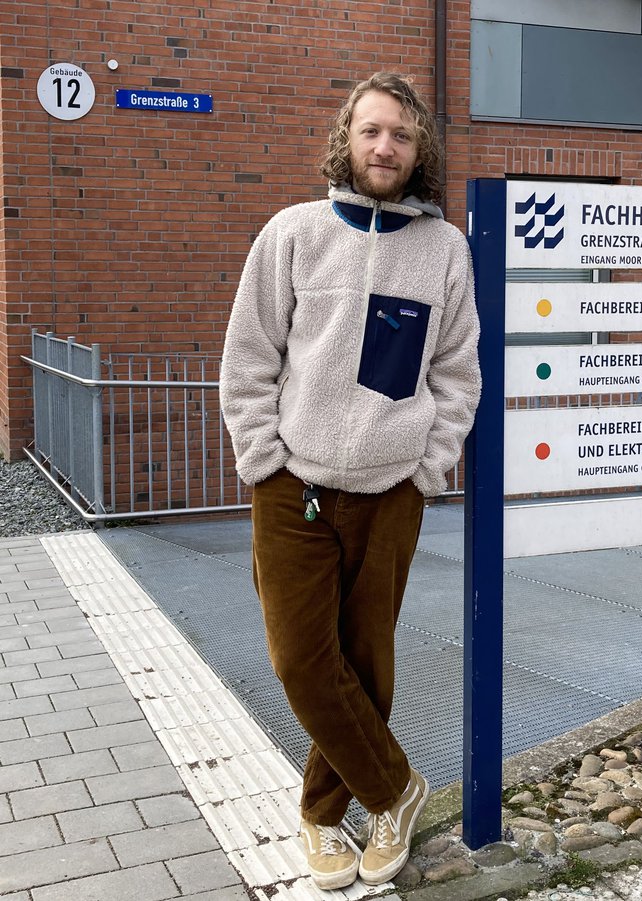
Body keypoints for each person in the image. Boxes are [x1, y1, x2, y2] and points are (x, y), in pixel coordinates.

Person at [219, 72, 481, 891]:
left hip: (390, 490)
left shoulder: (446, 250)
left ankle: (323, 816)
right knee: (303, 658)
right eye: (372, 131)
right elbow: (249, 360)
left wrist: (427, 472)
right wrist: (264, 458)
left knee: (364, 661)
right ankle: (396, 788)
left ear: (419, 150)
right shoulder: (292, 233)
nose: (385, 147)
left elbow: (457, 373)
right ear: (346, 138)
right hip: (291, 486)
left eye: (402, 135)